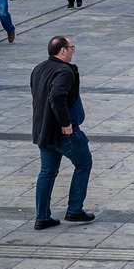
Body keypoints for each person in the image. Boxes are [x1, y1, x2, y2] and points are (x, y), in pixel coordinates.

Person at [30, 35, 94, 230]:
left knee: (47, 172)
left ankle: (42, 217)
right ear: (62, 50)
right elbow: (57, 95)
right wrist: (65, 123)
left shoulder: (39, 68)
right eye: (71, 47)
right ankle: (74, 209)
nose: (74, 50)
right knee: (84, 163)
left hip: (44, 130)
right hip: (63, 132)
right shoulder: (64, 71)